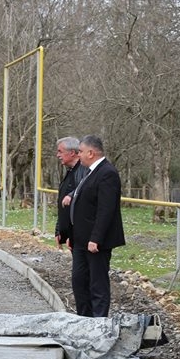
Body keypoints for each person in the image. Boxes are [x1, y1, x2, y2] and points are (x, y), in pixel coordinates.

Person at [66, 135, 125, 317]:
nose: (79, 155)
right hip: (80, 241)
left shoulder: (107, 173)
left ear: (91, 153)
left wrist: (96, 238)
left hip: (95, 243)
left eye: (81, 151)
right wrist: (72, 235)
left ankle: (99, 322)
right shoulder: (89, 172)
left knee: (97, 283)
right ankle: (84, 319)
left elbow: (106, 210)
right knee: (79, 281)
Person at [54, 136, 87, 253]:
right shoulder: (70, 171)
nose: (58, 155)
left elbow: (83, 207)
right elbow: (62, 205)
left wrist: (73, 236)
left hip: (80, 236)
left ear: (72, 153)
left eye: (60, 151)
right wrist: (59, 231)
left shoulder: (84, 171)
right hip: (71, 235)